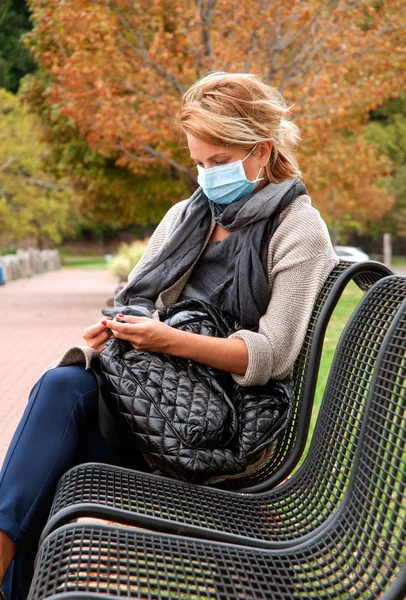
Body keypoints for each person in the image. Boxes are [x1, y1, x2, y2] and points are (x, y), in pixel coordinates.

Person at [0, 72, 338, 598]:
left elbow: (272, 355)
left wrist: (166, 340)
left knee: (53, 448)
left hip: (223, 428)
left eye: (219, 162)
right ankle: (3, 558)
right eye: (199, 162)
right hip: (153, 405)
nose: (207, 176)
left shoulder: (298, 229)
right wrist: (117, 330)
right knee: (61, 386)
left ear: (262, 149)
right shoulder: (187, 215)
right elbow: (138, 299)